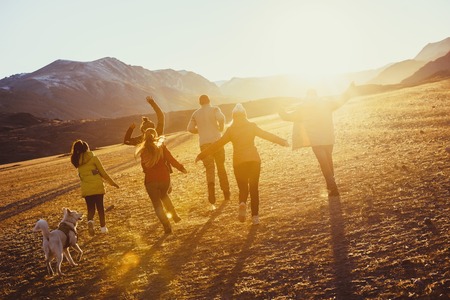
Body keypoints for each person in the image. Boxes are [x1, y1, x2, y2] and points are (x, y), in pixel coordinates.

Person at [196, 103, 289, 225]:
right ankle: (255, 217)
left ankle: (242, 203)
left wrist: (202, 154)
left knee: (243, 188)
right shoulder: (252, 126)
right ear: (245, 115)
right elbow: (266, 135)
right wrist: (282, 141)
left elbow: (218, 144)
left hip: (239, 162)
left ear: (233, 117)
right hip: (254, 161)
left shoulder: (231, 130)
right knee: (254, 188)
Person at [278, 83, 357, 197]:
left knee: (324, 164)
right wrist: (349, 90)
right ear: (316, 94)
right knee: (329, 162)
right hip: (328, 138)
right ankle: (331, 186)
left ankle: (332, 187)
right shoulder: (325, 103)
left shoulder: (302, 108)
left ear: (306, 95)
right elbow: (340, 101)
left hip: (315, 141)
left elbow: (287, 117)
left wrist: (280, 109)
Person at [136, 128, 187, 234]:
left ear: (145, 136)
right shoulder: (161, 147)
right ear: (155, 135)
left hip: (150, 180)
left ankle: (167, 226)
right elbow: (171, 159)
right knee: (164, 195)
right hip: (164, 178)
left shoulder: (143, 150)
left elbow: (144, 167)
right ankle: (174, 215)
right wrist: (181, 168)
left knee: (157, 204)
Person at [187, 94, 231, 210]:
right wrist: (220, 127)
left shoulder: (195, 114)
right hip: (217, 142)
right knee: (221, 167)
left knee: (209, 169)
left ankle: (212, 195)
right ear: (209, 101)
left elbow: (190, 128)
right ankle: (226, 193)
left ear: (200, 103)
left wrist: (199, 131)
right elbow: (221, 118)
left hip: (204, 144)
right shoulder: (215, 109)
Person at [70, 140, 119, 236]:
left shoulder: (77, 162)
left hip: (86, 188)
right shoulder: (93, 158)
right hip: (97, 186)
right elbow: (103, 173)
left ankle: (90, 222)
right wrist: (112, 183)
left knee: (91, 208)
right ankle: (103, 228)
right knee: (100, 208)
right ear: (86, 147)